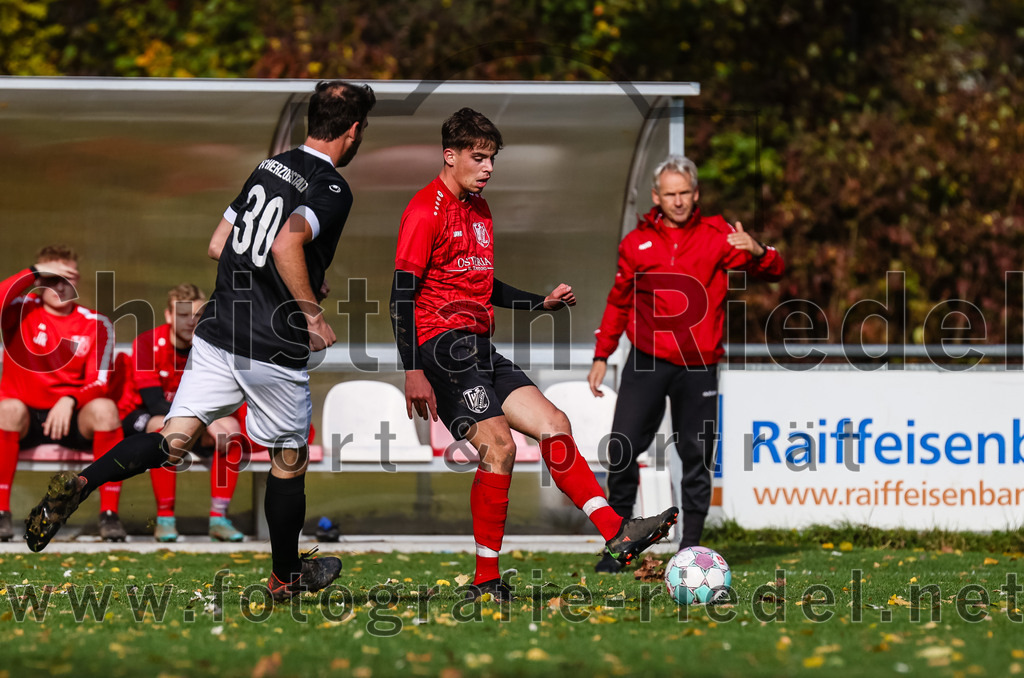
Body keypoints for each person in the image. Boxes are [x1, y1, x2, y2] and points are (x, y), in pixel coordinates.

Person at [25, 80, 376, 604]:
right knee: (289, 456)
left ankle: (81, 483)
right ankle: (284, 579)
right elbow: (285, 241)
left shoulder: (268, 167)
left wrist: (289, 274)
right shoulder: (331, 186)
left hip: (218, 331)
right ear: (353, 131)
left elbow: (219, 244)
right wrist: (310, 312)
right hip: (269, 339)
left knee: (174, 437)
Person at [390, 108, 679, 601]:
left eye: (492, 158)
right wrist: (412, 369)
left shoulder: (480, 210)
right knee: (498, 448)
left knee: (555, 423)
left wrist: (537, 303)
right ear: (450, 155)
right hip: (442, 348)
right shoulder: (424, 210)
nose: (488, 168)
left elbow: (483, 283)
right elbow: (401, 293)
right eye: (478, 158)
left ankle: (616, 531)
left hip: (480, 347)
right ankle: (485, 581)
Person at [587, 155, 785, 572]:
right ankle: (620, 544)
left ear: (696, 195)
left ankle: (690, 551)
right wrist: (602, 354)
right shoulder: (635, 243)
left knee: (696, 454)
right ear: (657, 197)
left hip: (698, 365)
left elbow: (774, 270)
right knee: (622, 450)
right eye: (670, 194)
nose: (678, 201)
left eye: (685, 193)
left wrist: (759, 250)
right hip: (645, 360)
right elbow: (619, 301)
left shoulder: (719, 236)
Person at [0, 245, 127, 543]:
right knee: (7, 409)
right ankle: (2, 513)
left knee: (105, 409)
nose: (60, 285)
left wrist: (70, 400)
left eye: (66, 277)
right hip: (25, 418)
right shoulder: (20, 310)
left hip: (71, 415)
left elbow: (101, 382)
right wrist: (33, 273)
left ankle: (109, 516)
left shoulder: (96, 323)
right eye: (52, 278)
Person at [118, 283, 247, 543]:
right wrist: (205, 423)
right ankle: (165, 519)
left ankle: (218, 518)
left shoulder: (212, 347)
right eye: (182, 315)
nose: (191, 322)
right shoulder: (146, 343)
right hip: (142, 415)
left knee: (231, 431)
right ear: (168, 316)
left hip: (193, 419)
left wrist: (210, 423)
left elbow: (220, 396)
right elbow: (154, 403)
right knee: (163, 430)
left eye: (197, 315)